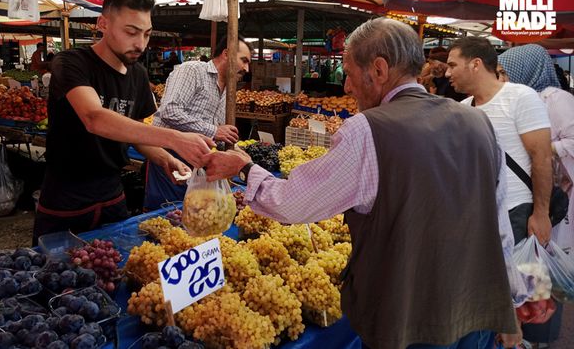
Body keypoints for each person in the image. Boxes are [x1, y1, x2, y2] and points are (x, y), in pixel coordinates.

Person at [203, 18, 530, 349]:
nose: (346, 86)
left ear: (378, 69)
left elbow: (294, 202)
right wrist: (510, 305)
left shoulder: (368, 130)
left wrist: (246, 168)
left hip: (409, 322)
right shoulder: (479, 123)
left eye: (348, 72)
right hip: (477, 315)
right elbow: (499, 225)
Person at [33, 0, 213, 244]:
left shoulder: (138, 74)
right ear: (103, 24)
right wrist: (174, 138)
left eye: (147, 34)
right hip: (66, 195)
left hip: (112, 193)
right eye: (131, 32)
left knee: (115, 269)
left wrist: (164, 158)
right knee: (56, 275)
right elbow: (94, 118)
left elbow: (135, 132)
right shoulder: (71, 62)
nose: (140, 44)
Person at [498, 44, 574, 348]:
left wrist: (543, 149)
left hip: (552, 201)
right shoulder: (515, 99)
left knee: (541, 265)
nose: (502, 78)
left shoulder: (556, 100)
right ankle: (523, 331)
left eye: (505, 72)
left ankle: (540, 333)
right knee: (526, 266)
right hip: (526, 196)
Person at [446, 37, 553, 247]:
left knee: (520, 278)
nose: (448, 73)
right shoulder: (464, 107)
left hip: (516, 211)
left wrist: (541, 214)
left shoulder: (521, 97)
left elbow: (542, 158)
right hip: (478, 215)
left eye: (452, 65)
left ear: (475, 64)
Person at [144, 35, 252, 210]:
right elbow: (169, 111)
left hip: (198, 160)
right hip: (169, 155)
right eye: (244, 61)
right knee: (165, 214)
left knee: (194, 216)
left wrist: (238, 153)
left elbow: (218, 132)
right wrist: (213, 131)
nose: (247, 68)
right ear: (227, 54)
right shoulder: (193, 70)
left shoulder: (228, 90)